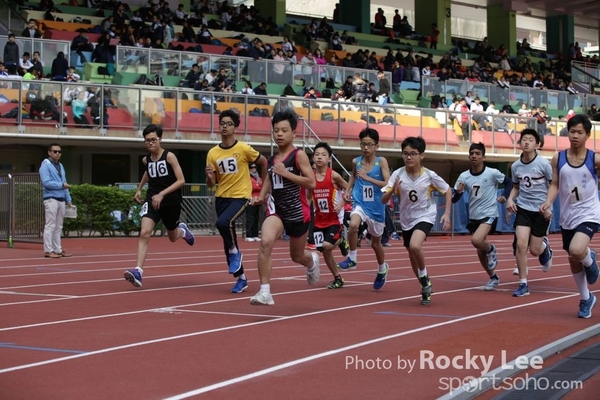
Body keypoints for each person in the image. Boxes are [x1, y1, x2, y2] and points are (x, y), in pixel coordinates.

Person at [249, 111, 320, 305]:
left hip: (298, 213)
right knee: (265, 242)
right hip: (277, 210)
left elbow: (311, 183)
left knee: (296, 256)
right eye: (276, 130)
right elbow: (268, 179)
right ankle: (265, 292)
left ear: (294, 134)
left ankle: (311, 261)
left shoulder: (299, 156)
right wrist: (261, 197)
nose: (279, 134)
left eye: (284, 130)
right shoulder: (272, 160)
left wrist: (286, 174)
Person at [540, 114, 600, 318]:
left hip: (589, 213)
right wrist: (548, 200)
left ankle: (590, 260)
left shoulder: (595, 159)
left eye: (579, 132)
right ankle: (586, 298)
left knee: (576, 250)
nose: (575, 136)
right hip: (567, 215)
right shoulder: (559, 158)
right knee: (573, 258)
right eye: (572, 131)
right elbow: (555, 184)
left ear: (587, 135)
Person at [381, 137, 451, 305]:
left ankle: (425, 278)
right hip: (407, 219)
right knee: (411, 253)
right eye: (405, 154)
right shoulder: (397, 174)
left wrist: (447, 213)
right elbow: (383, 199)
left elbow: (447, 190)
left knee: (415, 245)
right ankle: (424, 283)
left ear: (422, 156)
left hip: (425, 215)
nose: (409, 157)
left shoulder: (429, 175)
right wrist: (392, 190)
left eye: (413, 154)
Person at [124, 124, 195, 288]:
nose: (150, 143)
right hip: (152, 200)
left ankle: (182, 231)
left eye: (153, 140)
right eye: (147, 141)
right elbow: (148, 171)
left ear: (160, 139)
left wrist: (162, 194)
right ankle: (138, 271)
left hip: (170, 202)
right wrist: (139, 188)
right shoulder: (146, 159)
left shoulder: (169, 157)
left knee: (172, 237)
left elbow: (181, 180)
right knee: (145, 232)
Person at [206, 110, 268, 294]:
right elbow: (211, 183)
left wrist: (264, 188)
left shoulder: (243, 149)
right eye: (222, 123)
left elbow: (264, 162)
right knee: (227, 239)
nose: (224, 126)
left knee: (223, 223)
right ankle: (241, 279)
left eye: (229, 123)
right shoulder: (212, 153)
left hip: (241, 196)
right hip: (221, 197)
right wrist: (209, 176)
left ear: (235, 127)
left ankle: (235, 253)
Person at [452, 142, 512, 291]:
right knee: (480, 250)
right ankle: (493, 277)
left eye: (477, 154)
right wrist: (458, 192)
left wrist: (505, 196)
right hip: (474, 216)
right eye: (472, 153)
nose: (474, 156)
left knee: (476, 240)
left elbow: (509, 182)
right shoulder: (464, 176)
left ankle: (492, 249)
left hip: (489, 214)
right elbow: (454, 199)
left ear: (483, 157)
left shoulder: (492, 173)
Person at [337, 128, 391, 291]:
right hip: (360, 203)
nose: (365, 148)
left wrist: (368, 178)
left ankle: (382, 269)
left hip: (376, 207)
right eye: (363, 144)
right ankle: (352, 258)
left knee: (376, 244)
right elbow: (353, 176)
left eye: (369, 145)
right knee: (353, 225)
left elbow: (388, 184)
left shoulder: (381, 162)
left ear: (376, 146)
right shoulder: (356, 162)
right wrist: (348, 190)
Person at [506, 129, 554, 297]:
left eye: (530, 140)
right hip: (523, 208)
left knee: (534, 250)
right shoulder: (515, 166)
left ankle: (545, 249)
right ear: (520, 143)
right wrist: (510, 200)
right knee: (520, 244)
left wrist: (548, 206)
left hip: (541, 209)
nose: (526, 142)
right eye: (524, 139)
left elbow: (553, 187)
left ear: (537, 144)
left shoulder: (544, 164)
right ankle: (523, 284)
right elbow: (516, 187)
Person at [310, 142, 349, 289]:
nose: (320, 157)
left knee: (327, 245)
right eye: (317, 154)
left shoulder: (333, 176)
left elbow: (349, 188)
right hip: (319, 220)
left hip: (334, 218)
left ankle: (341, 241)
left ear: (329, 159)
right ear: (313, 157)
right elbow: (308, 196)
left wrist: (342, 202)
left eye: (323, 155)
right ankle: (337, 278)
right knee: (323, 250)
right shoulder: (311, 177)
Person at [39, 143, 73, 259]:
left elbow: (65, 182)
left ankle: (57, 249)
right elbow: (46, 182)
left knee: (59, 226)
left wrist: (68, 199)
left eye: (59, 151)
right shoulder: (45, 165)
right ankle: (48, 250)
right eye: (55, 151)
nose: (57, 153)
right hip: (50, 199)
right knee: (50, 225)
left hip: (61, 199)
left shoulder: (61, 165)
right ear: (49, 152)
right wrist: (61, 185)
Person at [245, 163, 263, 242]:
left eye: (255, 167)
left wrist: (257, 186)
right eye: (252, 167)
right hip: (250, 199)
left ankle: (255, 234)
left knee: (256, 218)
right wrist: (257, 186)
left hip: (257, 200)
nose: (254, 169)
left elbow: (261, 185)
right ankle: (248, 235)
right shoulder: (247, 177)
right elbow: (252, 187)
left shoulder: (258, 177)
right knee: (250, 217)